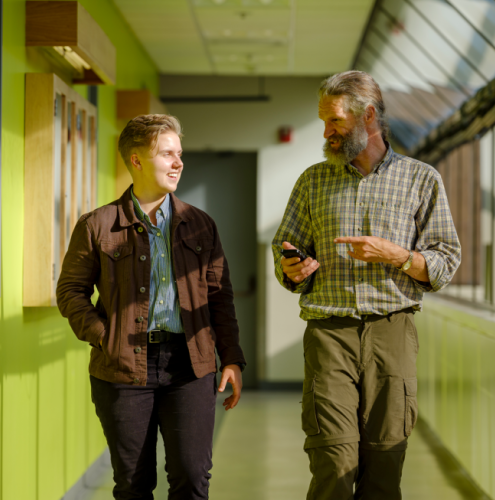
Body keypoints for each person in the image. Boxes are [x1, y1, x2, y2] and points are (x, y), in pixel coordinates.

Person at [272, 71, 461, 500]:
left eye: (334, 121)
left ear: (368, 116)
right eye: (324, 122)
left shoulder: (421, 179)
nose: (327, 132)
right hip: (328, 334)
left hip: (392, 332)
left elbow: (446, 261)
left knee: (383, 466)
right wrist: (292, 268)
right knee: (334, 462)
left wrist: (396, 256)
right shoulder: (312, 181)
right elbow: (285, 250)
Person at [56, 114, 246, 500]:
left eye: (179, 154)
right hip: (122, 368)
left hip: (190, 365)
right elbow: (70, 292)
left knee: (192, 479)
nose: (178, 163)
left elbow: (219, 297)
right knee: (133, 484)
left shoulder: (200, 225)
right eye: (167, 154)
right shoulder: (97, 225)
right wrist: (105, 337)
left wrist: (231, 359)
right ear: (137, 160)